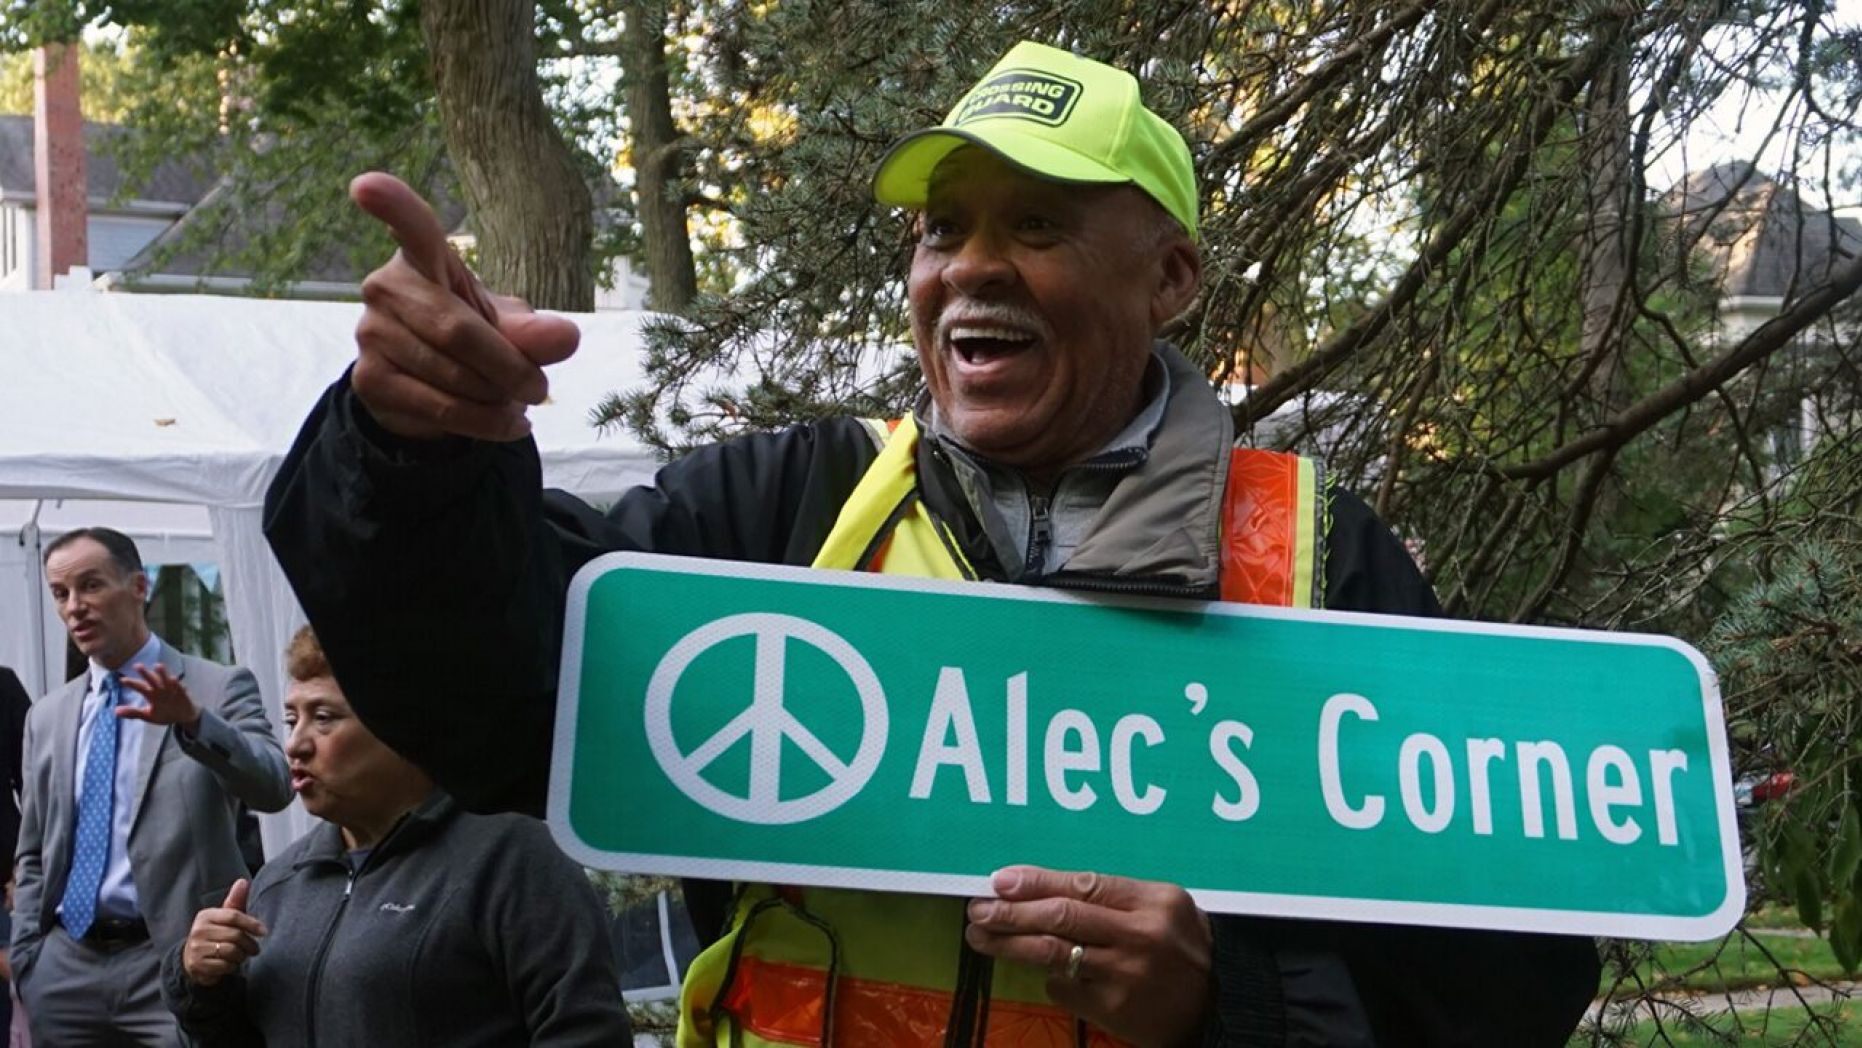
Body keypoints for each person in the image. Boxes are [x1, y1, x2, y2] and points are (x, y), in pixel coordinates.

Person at [264, 39, 1602, 1047]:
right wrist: (414, 452)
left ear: (1170, 277)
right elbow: (495, 701)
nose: (968, 266)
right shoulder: (785, 509)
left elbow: (1503, 989)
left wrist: (1227, 1002)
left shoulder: (1322, 566)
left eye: (1035, 224)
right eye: (939, 228)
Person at [160, 625, 633, 1046]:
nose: (296, 744)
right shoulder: (279, 884)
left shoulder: (511, 859)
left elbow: (586, 1031)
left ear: (403, 728)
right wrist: (202, 981)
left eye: (324, 717)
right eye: (291, 719)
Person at [12, 528, 292, 1046]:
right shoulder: (47, 716)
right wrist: (30, 957)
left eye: (91, 585)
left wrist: (194, 722)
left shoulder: (216, 686)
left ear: (139, 586)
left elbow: (275, 787)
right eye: (60, 593)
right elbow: (33, 852)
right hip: (63, 969)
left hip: (176, 960)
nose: (74, 607)